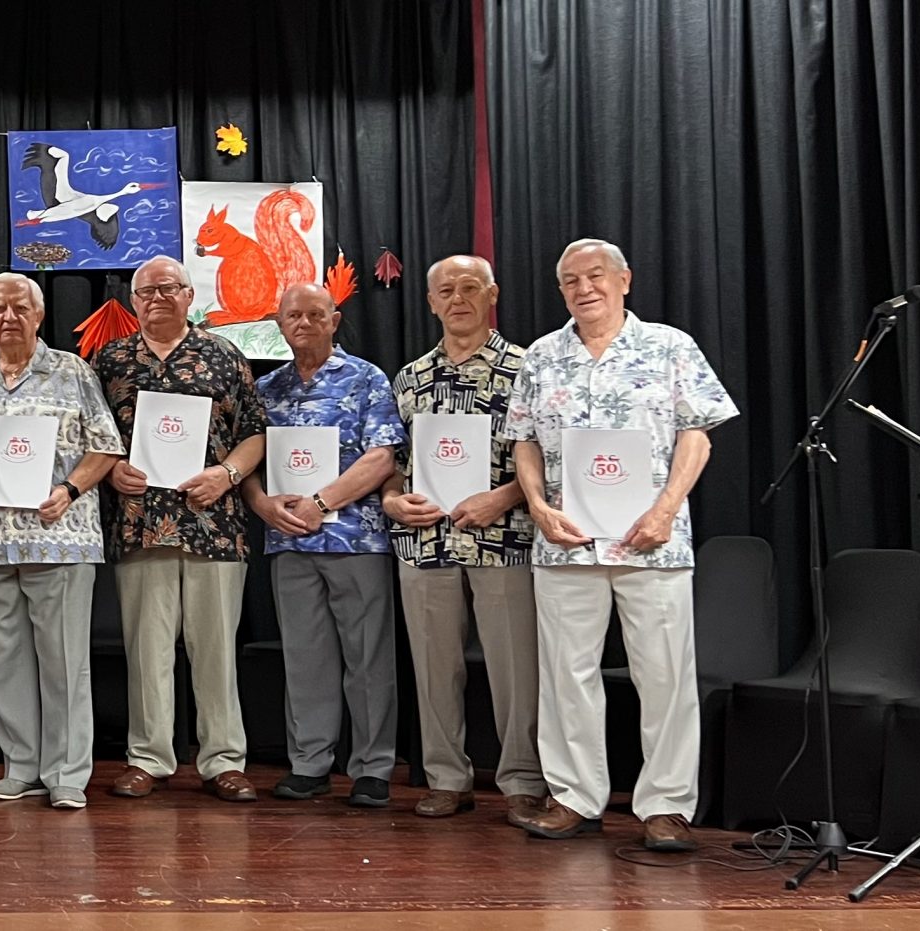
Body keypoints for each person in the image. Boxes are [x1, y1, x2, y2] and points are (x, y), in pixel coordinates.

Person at [505, 238, 737, 852]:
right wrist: (537, 505)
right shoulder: (541, 356)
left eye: (596, 275)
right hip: (566, 542)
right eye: (571, 280)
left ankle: (666, 807)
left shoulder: (670, 346)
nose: (584, 288)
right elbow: (523, 440)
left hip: (651, 540)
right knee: (566, 676)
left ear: (624, 280)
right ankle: (574, 798)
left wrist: (666, 508)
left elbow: (697, 435)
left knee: (664, 676)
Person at [0, 273, 124, 811]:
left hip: (60, 540)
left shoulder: (73, 371)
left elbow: (106, 446)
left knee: (65, 661)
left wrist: (70, 490)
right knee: (3, 664)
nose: (10, 317)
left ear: (39, 315)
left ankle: (67, 773)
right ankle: (20, 766)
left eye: (21, 307)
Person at [90, 256, 266, 804]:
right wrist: (111, 470)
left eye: (169, 288)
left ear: (190, 296)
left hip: (215, 525)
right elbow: (93, 439)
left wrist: (226, 474)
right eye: (146, 291)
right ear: (133, 301)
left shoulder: (224, 354)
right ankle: (148, 757)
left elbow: (255, 432)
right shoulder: (110, 360)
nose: (157, 298)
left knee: (215, 650)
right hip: (140, 526)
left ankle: (224, 760)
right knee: (147, 652)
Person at [381, 255, 546, 821]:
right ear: (431, 303)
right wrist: (391, 501)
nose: (458, 298)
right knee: (433, 668)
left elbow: (550, 459)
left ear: (491, 295)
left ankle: (523, 779)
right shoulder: (410, 377)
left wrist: (503, 498)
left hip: (505, 538)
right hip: (425, 541)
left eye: (470, 287)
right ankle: (447, 777)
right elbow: (393, 462)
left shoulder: (527, 369)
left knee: (516, 668)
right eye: (445, 290)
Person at [244, 283, 406, 809]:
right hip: (289, 541)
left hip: (355, 538)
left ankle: (372, 768)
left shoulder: (366, 378)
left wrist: (321, 501)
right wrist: (261, 504)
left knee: (368, 659)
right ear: (279, 324)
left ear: (334, 321)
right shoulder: (265, 389)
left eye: (316, 314)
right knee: (304, 658)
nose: (305, 323)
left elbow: (383, 456)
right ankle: (309, 764)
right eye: (294, 315)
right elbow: (246, 459)